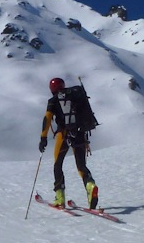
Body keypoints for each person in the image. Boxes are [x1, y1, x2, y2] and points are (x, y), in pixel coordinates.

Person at [39, 77, 99, 209]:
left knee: (58, 164)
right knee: (81, 166)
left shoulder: (53, 101)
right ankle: (90, 187)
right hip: (80, 134)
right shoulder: (75, 96)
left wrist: (43, 138)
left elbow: (47, 118)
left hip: (63, 135)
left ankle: (60, 197)